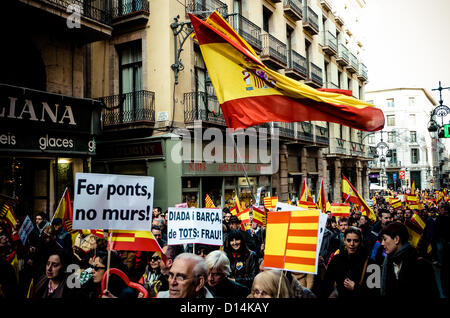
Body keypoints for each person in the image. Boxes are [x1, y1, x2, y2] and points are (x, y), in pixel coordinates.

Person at [380, 222, 439, 297]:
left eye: (385, 239)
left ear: (396, 239)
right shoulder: (388, 261)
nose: (382, 243)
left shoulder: (421, 265)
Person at [320, 227, 374, 298]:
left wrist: (356, 288)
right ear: (344, 240)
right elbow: (327, 283)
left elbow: (375, 291)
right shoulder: (336, 259)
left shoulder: (371, 263)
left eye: (356, 241)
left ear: (360, 241)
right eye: (349, 240)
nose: (352, 244)